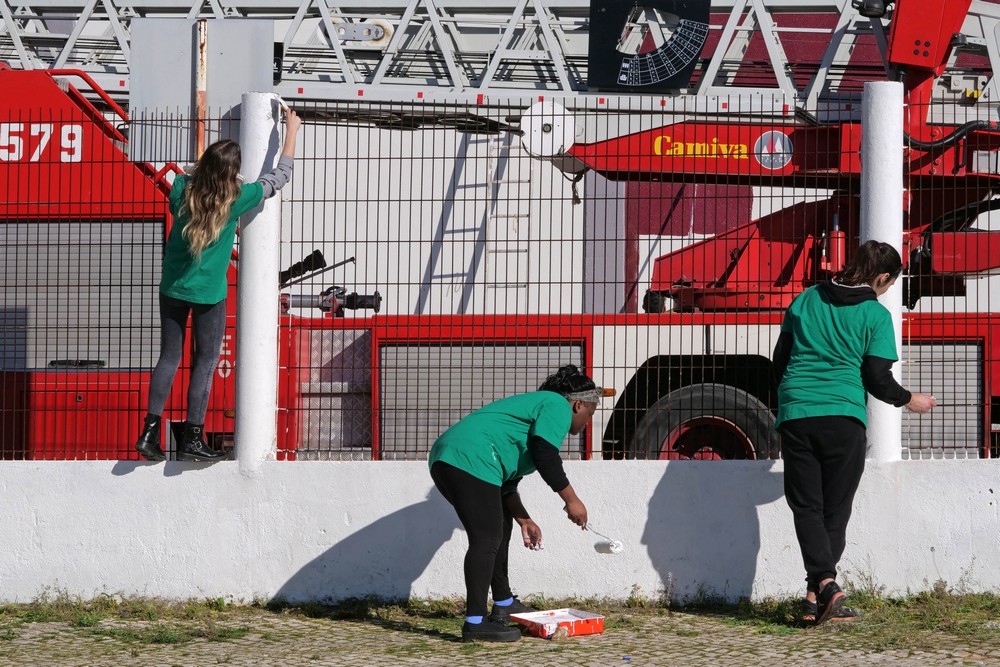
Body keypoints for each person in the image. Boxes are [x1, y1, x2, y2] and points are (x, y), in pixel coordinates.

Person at [773, 240, 937, 624]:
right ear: (882, 277)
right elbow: (877, 377)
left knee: (807, 508)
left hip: (797, 413)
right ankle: (828, 585)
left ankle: (815, 599)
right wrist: (909, 399)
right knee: (835, 509)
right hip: (844, 417)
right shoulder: (874, 314)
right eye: (890, 283)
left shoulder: (806, 299)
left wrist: (792, 402)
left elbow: (780, 360)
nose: (888, 289)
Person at [134, 110, 303, 462]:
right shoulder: (237, 198)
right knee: (206, 361)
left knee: (169, 358)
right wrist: (291, 132)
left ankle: (149, 433)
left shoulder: (181, 189)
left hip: (172, 289)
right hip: (209, 296)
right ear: (231, 174)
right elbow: (279, 177)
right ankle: (193, 438)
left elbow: (189, 180)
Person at [428, 364, 608, 642]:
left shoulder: (532, 417)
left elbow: (506, 485)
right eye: (590, 413)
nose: (587, 422)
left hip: (451, 458)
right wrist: (572, 500)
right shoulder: (557, 404)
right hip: (471, 456)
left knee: (501, 525)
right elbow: (546, 456)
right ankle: (475, 623)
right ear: (578, 404)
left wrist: (524, 518)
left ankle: (503, 603)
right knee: (487, 538)